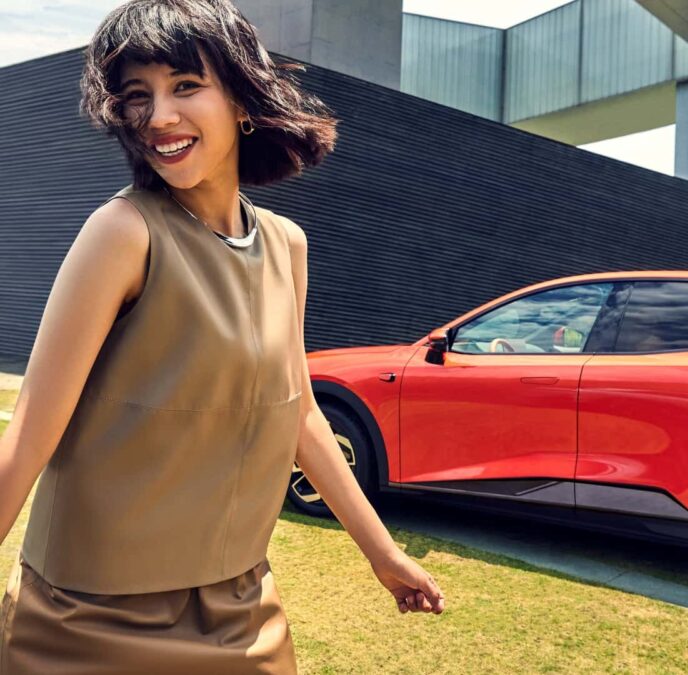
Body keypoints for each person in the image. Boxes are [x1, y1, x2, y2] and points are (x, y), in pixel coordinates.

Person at [0, 1, 444, 671]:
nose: (159, 116)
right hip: (86, 615)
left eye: (185, 85)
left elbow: (300, 413)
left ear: (241, 99)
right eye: (137, 95)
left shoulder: (287, 245)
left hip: (240, 609)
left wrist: (383, 555)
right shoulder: (121, 233)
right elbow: (31, 432)